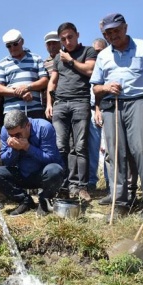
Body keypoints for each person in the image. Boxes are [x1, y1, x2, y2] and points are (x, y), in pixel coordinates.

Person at [91, 13, 143, 218]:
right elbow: (95, 88)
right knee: (115, 154)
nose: (113, 35)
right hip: (112, 106)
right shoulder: (103, 55)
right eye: (108, 32)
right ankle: (120, 202)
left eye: (116, 30)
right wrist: (105, 86)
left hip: (140, 101)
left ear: (125, 28)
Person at [45, 22, 97, 202]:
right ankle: (63, 185)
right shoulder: (58, 58)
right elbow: (52, 81)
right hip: (60, 104)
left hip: (80, 102)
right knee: (61, 146)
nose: (67, 41)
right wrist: (49, 103)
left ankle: (81, 186)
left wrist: (72, 61)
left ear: (77, 35)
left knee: (80, 146)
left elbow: (90, 70)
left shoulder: (88, 52)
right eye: (63, 39)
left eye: (70, 37)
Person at [0, 110, 64, 216]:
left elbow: (51, 159)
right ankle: (25, 201)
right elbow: (7, 162)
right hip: (22, 174)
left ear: (27, 125)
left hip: (42, 174)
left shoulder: (44, 127)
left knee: (55, 170)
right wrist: (14, 149)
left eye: (18, 134)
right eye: (11, 135)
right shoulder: (5, 131)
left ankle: (44, 201)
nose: (14, 138)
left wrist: (27, 147)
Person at [0, 29, 48, 119]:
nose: (12, 48)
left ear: (22, 42)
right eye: (8, 46)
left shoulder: (36, 58)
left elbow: (44, 81)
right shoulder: (2, 63)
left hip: (35, 110)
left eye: (15, 44)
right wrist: (19, 92)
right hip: (11, 111)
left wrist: (27, 87)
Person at [89, 38, 108, 192]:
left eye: (99, 51)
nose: (97, 55)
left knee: (109, 147)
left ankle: (111, 183)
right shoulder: (89, 67)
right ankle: (91, 182)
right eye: (94, 52)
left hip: (106, 109)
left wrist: (98, 109)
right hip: (90, 110)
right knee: (92, 148)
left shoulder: (108, 66)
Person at [43, 31, 61, 108]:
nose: (52, 46)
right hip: (51, 104)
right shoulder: (43, 64)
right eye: (49, 44)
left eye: (54, 43)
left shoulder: (69, 58)